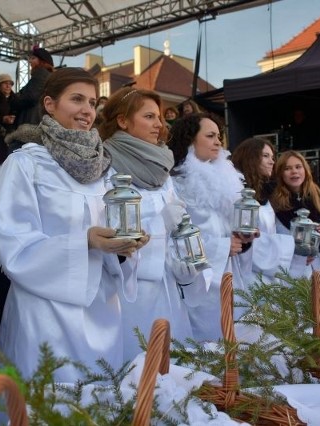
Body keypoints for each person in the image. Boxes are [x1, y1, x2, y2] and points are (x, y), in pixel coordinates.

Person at [0, 68, 148, 389]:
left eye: (92, 102)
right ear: (49, 104)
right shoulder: (25, 164)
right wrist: (84, 242)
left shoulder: (103, 168)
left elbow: (112, 229)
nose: (87, 110)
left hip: (102, 308)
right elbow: (15, 244)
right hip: (45, 314)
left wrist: (124, 247)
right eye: (76, 99)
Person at [99, 87, 200, 357]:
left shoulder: (162, 169)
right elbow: (109, 225)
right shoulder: (107, 165)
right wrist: (158, 226)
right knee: (138, 370)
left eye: (159, 117)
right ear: (123, 121)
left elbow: (180, 221)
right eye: (149, 116)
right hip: (131, 292)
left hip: (167, 288)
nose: (160, 124)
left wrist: (185, 260)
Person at [169, 113, 254, 339]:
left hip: (228, 271)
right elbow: (174, 236)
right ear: (190, 139)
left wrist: (242, 237)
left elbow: (225, 224)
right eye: (210, 136)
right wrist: (222, 246)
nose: (218, 142)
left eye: (219, 136)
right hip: (200, 278)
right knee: (208, 340)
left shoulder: (226, 175)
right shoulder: (175, 182)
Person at [231, 138, 294, 284]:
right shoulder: (237, 192)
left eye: (272, 157)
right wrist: (291, 249)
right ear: (250, 157)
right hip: (249, 275)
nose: (272, 161)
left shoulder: (265, 192)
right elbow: (245, 238)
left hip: (268, 272)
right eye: (265, 156)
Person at [270, 151, 320, 278]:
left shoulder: (318, 199)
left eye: (298, 167)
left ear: (305, 170)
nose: (294, 172)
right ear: (280, 173)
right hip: (288, 270)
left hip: (315, 268)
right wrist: (295, 255)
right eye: (287, 168)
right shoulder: (274, 204)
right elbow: (271, 239)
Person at [13, 46, 54, 127]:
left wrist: (15, 101)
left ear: (42, 61)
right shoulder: (46, 75)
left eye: (33, 58)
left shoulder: (41, 74)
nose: (30, 61)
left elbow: (31, 97)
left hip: (32, 120)